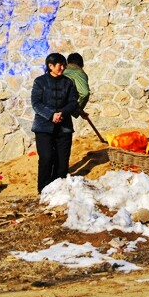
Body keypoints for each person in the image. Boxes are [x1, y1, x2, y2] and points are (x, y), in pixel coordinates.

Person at [31, 52, 79, 193]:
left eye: (64, 65)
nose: (63, 68)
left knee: (62, 160)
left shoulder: (68, 82)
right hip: (44, 127)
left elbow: (73, 102)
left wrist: (62, 113)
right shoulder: (40, 82)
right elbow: (36, 103)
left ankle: (60, 190)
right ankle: (44, 190)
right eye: (60, 65)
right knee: (46, 158)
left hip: (64, 127)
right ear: (50, 66)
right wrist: (51, 115)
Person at [63, 52, 90, 119]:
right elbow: (84, 93)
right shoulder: (79, 73)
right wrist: (77, 110)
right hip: (64, 110)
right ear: (82, 64)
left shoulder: (61, 71)